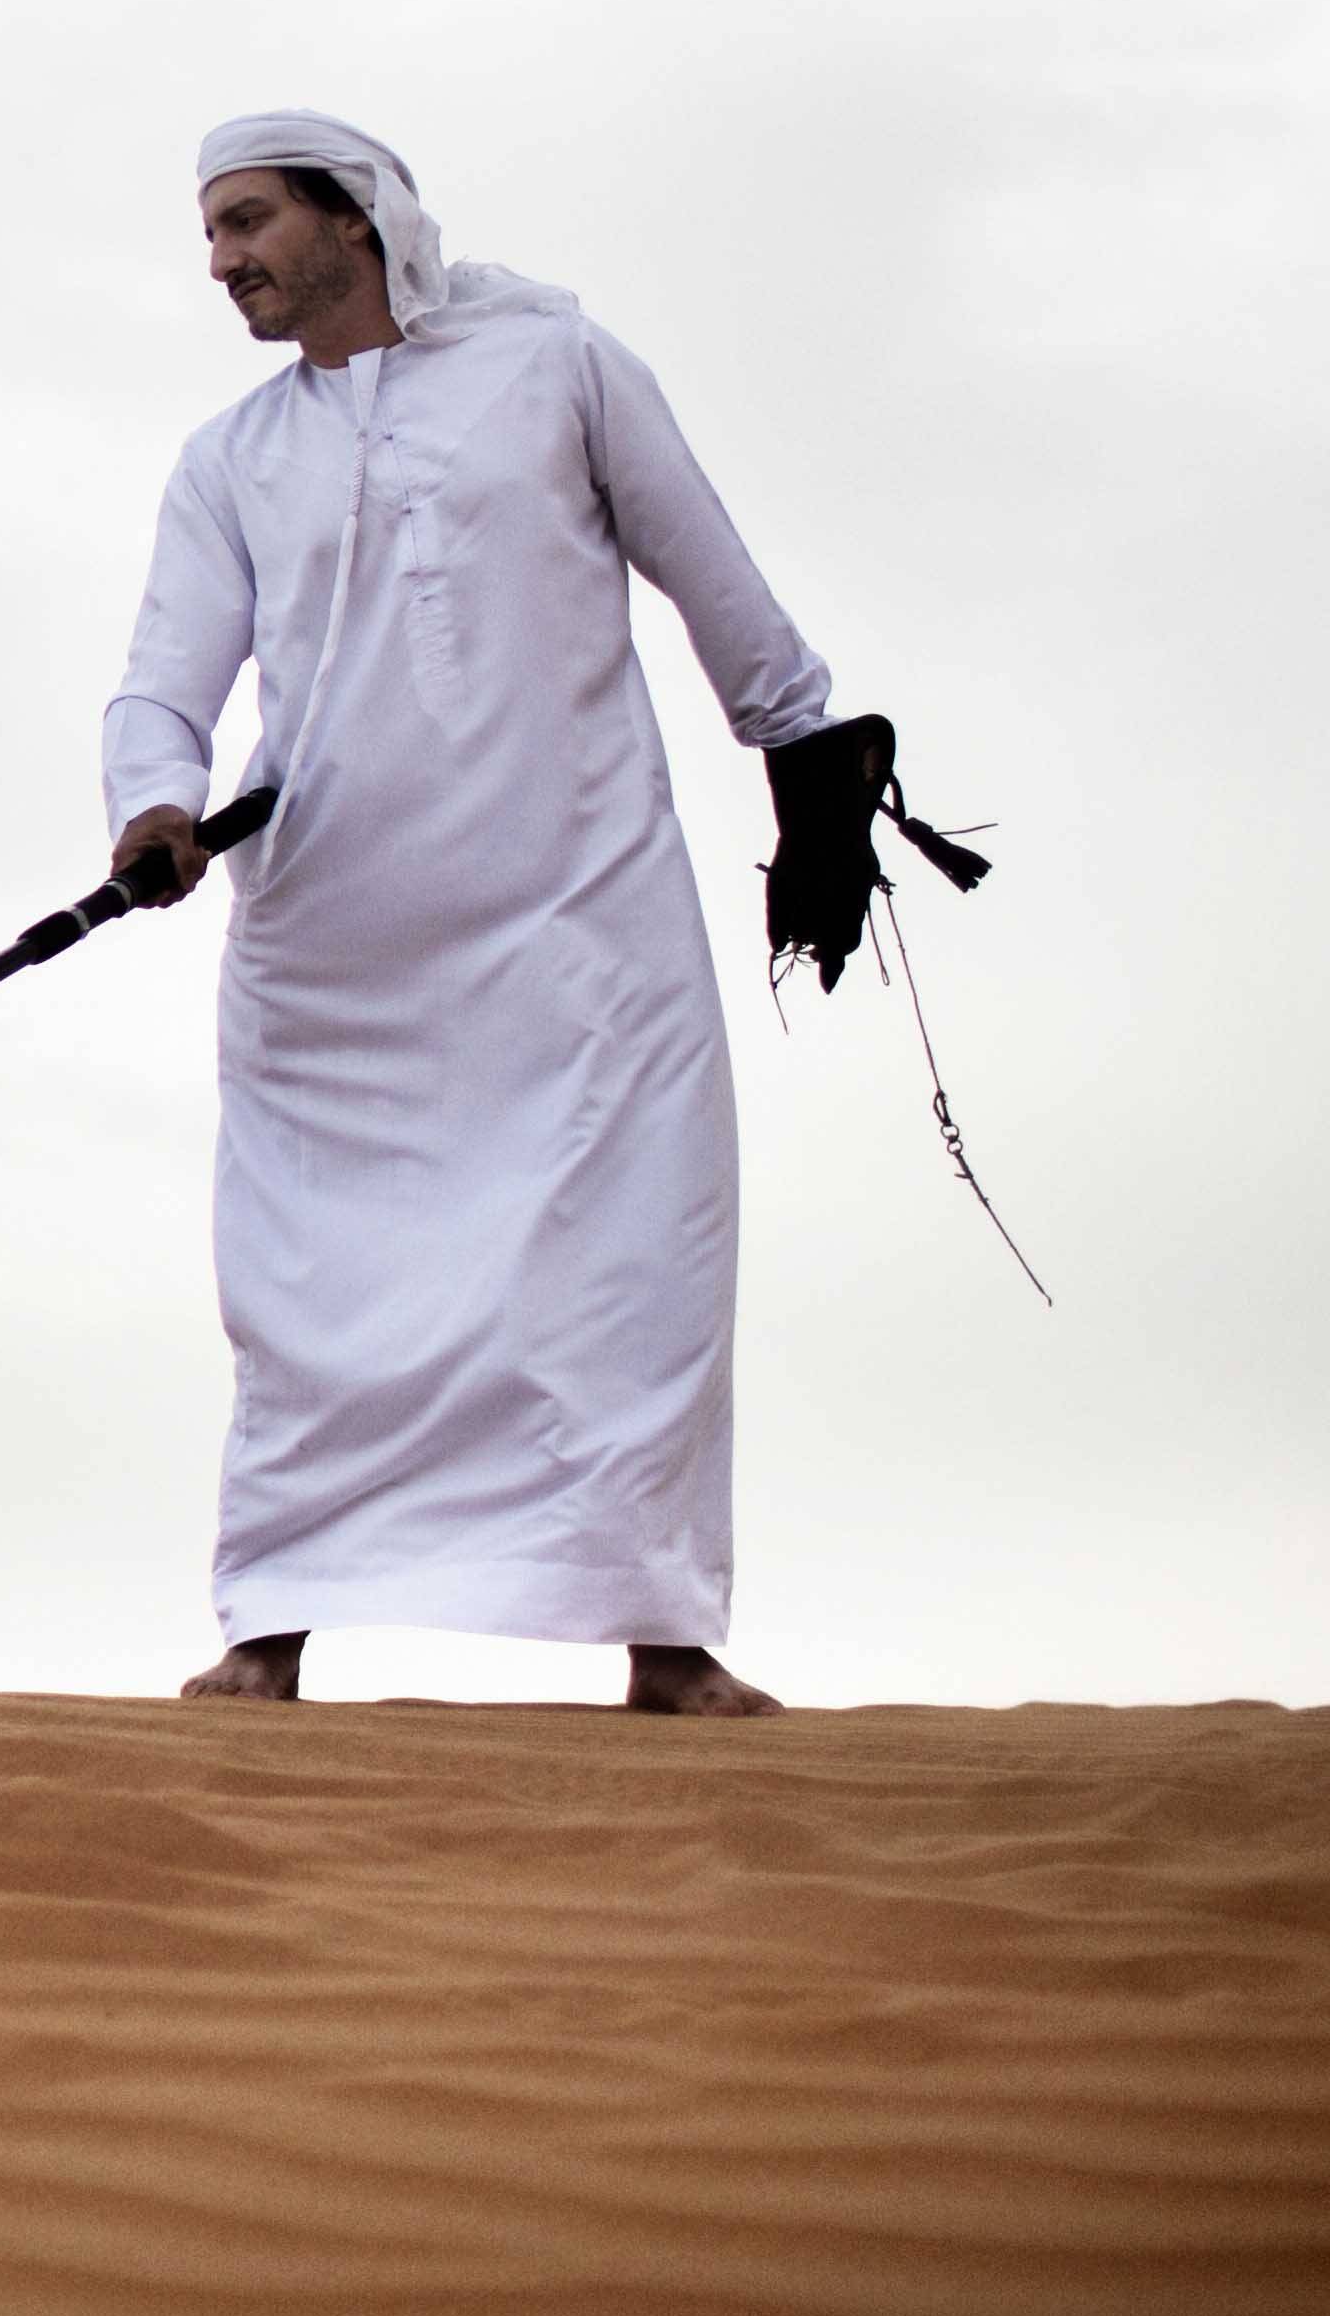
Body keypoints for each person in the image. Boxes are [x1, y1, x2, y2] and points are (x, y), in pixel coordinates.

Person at [100, 112, 838, 1715]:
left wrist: (803, 739)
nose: (223, 262)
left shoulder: (556, 368)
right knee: (309, 1288)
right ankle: (270, 1628)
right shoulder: (232, 457)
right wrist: (153, 810)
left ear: (355, 219)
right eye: (209, 238)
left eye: (247, 224)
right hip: (336, 950)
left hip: (578, 911)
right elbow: (166, 676)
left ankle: (665, 1645)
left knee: (632, 1257)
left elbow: (709, 568)